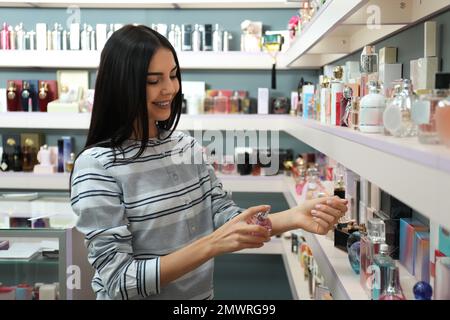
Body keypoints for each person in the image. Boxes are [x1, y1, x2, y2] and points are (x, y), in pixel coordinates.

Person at [70, 25, 348, 300]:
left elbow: (223, 215)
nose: (170, 89)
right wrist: (212, 245)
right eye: (154, 81)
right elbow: (119, 280)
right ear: (121, 85)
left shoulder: (185, 146)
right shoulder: (97, 167)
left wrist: (293, 217)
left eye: (173, 76)